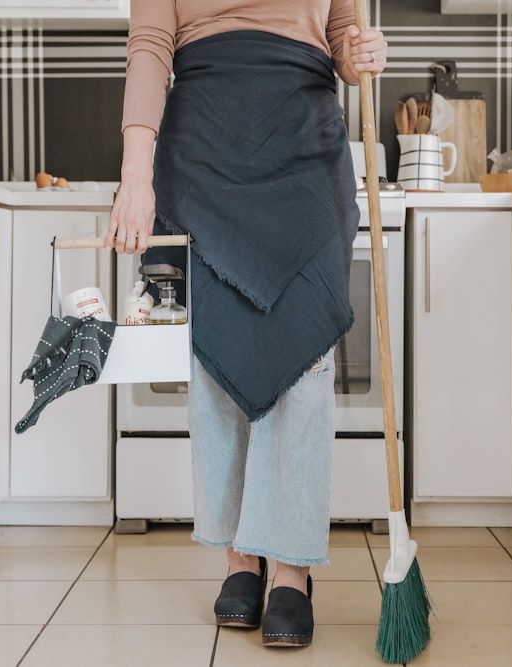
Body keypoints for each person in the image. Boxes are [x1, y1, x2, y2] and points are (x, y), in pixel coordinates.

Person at [109, 1, 387, 649]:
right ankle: (241, 554)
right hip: (202, 140)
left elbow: (342, 34)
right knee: (218, 354)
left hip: (305, 142)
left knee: (304, 356)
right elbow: (150, 44)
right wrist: (134, 175)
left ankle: (291, 564)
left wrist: (357, 55)